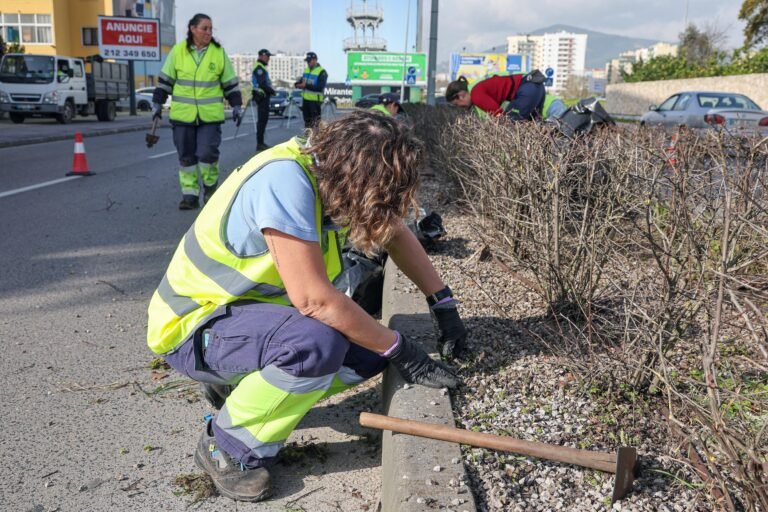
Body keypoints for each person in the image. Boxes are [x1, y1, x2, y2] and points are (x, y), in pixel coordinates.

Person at [146, 111, 468, 503]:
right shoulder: (283, 181)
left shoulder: (325, 169)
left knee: (369, 352)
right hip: (193, 327)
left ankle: (239, 386)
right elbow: (314, 300)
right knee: (317, 344)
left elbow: (393, 232)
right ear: (354, 175)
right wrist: (403, 350)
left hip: (246, 321)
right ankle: (228, 444)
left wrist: (443, 304)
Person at [152, 13, 243, 210]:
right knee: (186, 158)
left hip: (209, 116)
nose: (209, 32)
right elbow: (165, 81)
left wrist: (236, 105)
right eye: (205, 28)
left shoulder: (218, 53)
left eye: (211, 29)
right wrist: (157, 103)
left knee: (207, 153)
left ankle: (210, 190)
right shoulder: (178, 52)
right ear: (193, 29)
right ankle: (190, 195)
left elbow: (229, 84)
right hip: (183, 116)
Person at [446, 71, 547, 121]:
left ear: (460, 96)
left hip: (527, 89)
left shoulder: (476, 95)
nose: (460, 107)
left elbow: (500, 116)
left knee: (511, 124)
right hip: (536, 86)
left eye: (456, 104)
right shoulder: (478, 89)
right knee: (533, 124)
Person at [252, 49, 276, 152]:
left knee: (263, 120)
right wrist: (272, 91)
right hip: (261, 97)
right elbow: (262, 84)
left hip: (263, 96)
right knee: (262, 121)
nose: (269, 59)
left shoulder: (261, 67)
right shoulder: (259, 68)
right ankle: (260, 143)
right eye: (267, 56)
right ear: (261, 56)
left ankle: (261, 143)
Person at [295, 51, 327, 128]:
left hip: (315, 101)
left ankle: (315, 139)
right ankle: (307, 139)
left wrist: (305, 86)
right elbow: (301, 81)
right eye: (307, 61)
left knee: (315, 123)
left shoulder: (322, 72)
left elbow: (320, 87)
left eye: (309, 61)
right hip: (306, 100)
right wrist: (297, 84)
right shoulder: (306, 70)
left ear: (315, 60)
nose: (308, 63)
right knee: (307, 122)